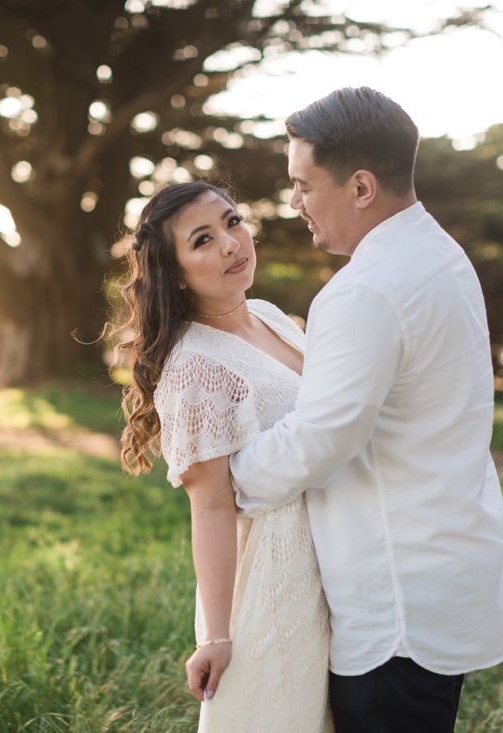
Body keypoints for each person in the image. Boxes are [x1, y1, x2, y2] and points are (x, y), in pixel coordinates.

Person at [229, 87, 503, 733]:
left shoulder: (363, 290)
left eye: (304, 185)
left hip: (394, 603)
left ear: (361, 187)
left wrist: (223, 474)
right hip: (443, 572)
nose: (294, 203)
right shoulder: (441, 255)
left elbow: (320, 439)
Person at [114, 181, 332, 732]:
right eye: (203, 240)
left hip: (337, 558)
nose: (232, 244)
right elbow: (210, 506)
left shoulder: (271, 316)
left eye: (232, 222)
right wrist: (215, 635)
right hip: (276, 575)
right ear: (175, 272)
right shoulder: (195, 367)